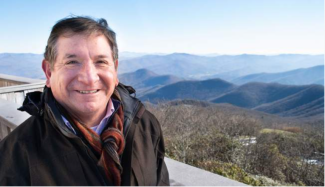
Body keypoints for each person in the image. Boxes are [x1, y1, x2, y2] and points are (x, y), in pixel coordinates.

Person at [0, 16, 169, 186]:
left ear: (115, 70)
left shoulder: (146, 126)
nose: (89, 78)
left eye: (101, 62)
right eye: (72, 62)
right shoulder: (15, 154)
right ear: (49, 73)